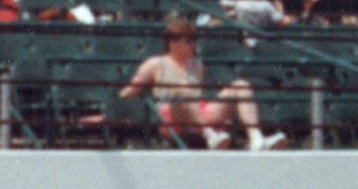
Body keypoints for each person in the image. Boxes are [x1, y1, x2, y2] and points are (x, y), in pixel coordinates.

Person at [118, 16, 278, 146]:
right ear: (172, 43)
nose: (192, 45)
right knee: (182, 88)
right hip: (172, 114)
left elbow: (199, 95)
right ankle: (210, 136)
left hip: (198, 112)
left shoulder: (197, 64)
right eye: (188, 41)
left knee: (241, 85)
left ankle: (256, 138)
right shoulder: (155, 64)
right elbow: (131, 90)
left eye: (193, 40)